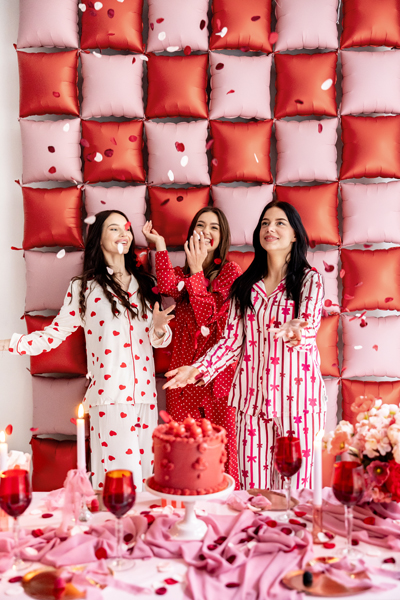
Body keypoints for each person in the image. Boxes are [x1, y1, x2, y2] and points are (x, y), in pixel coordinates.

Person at [0, 210, 174, 491]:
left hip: (146, 396)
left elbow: (159, 341)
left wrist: (159, 328)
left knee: (145, 482)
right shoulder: (84, 288)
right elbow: (54, 335)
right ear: (99, 238)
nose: (124, 234)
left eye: (126, 228)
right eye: (114, 229)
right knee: (122, 483)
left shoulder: (147, 285)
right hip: (110, 397)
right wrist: (11, 343)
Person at [163, 201, 327, 491]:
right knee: (254, 493)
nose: (270, 228)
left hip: (298, 401)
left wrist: (296, 331)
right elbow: (231, 342)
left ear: (294, 235)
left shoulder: (309, 280)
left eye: (279, 223)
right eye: (265, 223)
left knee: (295, 492)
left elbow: (309, 324)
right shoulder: (245, 286)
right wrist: (197, 369)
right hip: (250, 402)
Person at [143, 207, 242, 488]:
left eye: (214, 227)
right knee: (183, 449)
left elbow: (208, 316)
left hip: (216, 379)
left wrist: (198, 271)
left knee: (220, 455)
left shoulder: (231, 273)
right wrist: (160, 245)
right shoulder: (182, 276)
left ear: (222, 236)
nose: (206, 232)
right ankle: (183, 503)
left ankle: (223, 505)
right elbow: (166, 286)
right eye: (201, 225)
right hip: (182, 380)